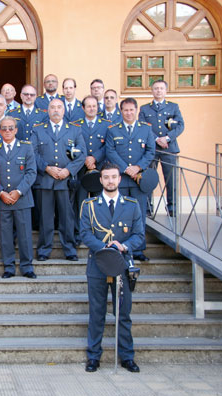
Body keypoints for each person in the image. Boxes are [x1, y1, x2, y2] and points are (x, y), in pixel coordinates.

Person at [80, 161, 144, 373]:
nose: (110, 181)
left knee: (123, 313)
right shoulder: (89, 206)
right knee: (96, 313)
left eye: (114, 177)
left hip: (122, 265)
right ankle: (93, 357)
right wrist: (104, 247)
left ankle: (127, 356)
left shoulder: (132, 205)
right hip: (98, 264)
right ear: (100, 180)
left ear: (119, 179)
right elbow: (85, 234)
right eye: (106, 177)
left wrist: (123, 246)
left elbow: (139, 235)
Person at [32, 98, 85, 261]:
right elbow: (33, 153)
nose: (56, 110)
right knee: (46, 217)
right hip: (45, 181)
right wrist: (47, 168)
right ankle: (43, 249)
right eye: (52, 107)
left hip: (65, 181)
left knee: (67, 217)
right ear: (48, 110)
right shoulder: (38, 130)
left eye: (59, 107)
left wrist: (68, 171)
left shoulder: (74, 130)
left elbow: (82, 154)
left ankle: (69, 249)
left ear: (64, 110)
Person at [106, 98, 156, 261]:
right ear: (121, 111)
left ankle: (138, 249)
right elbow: (110, 151)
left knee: (138, 214)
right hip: (121, 179)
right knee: (119, 214)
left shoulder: (146, 129)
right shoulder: (113, 129)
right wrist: (126, 168)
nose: (128, 113)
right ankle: (118, 246)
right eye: (125, 110)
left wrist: (138, 167)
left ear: (137, 111)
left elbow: (150, 152)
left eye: (131, 110)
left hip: (137, 179)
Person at [0, 116, 37, 278]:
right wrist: (1, 192)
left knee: (24, 235)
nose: (7, 131)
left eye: (11, 128)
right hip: (2, 200)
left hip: (22, 199)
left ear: (16, 130)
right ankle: (8, 266)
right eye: (4, 128)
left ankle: (27, 266)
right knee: (5, 235)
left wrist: (19, 191)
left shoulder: (26, 147)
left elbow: (31, 172)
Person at [138, 79, 184, 217]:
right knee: (148, 178)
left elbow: (180, 126)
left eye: (161, 88)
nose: (158, 91)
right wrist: (157, 139)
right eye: (156, 88)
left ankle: (172, 209)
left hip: (169, 149)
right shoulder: (145, 108)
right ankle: (147, 208)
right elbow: (142, 125)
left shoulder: (173, 107)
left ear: (166, 90)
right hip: (152, 149)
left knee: (171, 180)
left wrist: (167, 138)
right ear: (152, 91)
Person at [71, 95, 112, 242]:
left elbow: (109, 145)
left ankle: (98, 232)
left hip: (99, 169)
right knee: (80, 202)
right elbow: (72, 145)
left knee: (98, 202)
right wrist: (85, 159)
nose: (91, 108)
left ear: (98, 107)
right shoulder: (75, 125)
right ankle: (79, 233)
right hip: (81, 170)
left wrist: (94, 158)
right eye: (88, 106)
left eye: (94, 106)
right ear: (83, 108)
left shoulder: (107, 124)